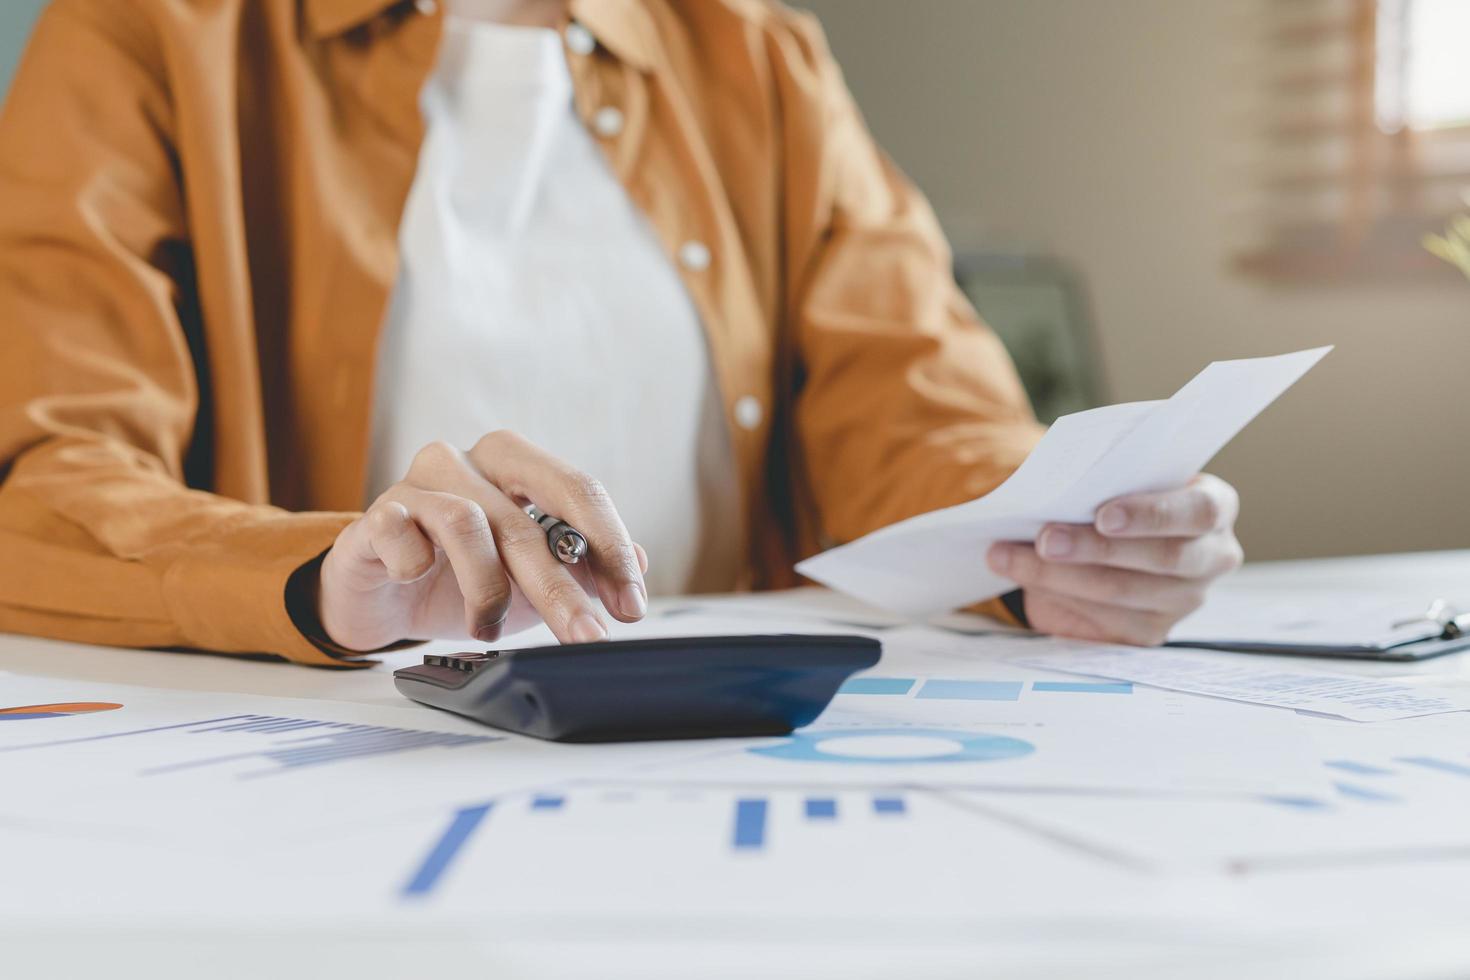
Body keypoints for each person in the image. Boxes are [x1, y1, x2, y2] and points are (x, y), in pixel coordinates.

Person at [0, 0, 1243, 667]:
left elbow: (922, 412)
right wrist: (328, 573)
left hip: (721, 748)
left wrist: (1061, 539)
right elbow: (42, 483)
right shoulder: (147, 33)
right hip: (355, 754)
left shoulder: (758, 57)